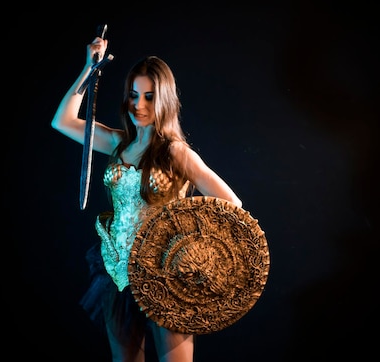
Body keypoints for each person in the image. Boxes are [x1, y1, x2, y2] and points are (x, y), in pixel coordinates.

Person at [51, 35, 243, 362]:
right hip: (119, 274)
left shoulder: (175, 152)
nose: (138, 105)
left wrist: (186, 237)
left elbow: (232, 204)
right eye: (134, 95)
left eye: (149, 97)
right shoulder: (117, 143)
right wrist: (89, 69)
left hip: (165, 275)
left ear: (164, 99)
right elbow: (62, 121)